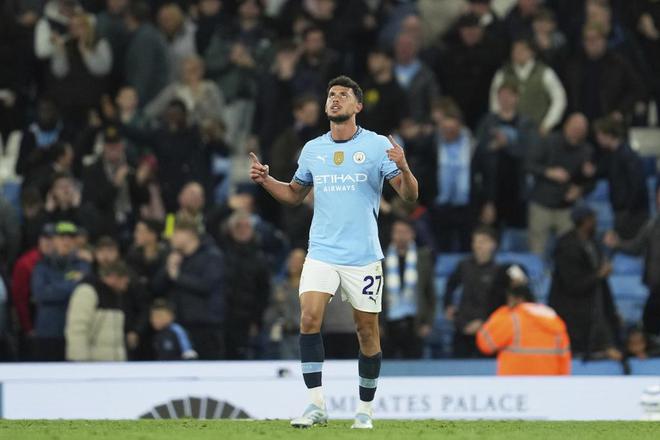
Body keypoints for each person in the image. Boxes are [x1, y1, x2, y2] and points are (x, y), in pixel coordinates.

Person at [249, 75, 418, 429]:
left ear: (358, 105)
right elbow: (294, 194)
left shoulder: (376, 145)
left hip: (363, 256)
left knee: (366, 332)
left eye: (343, 94)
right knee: (309, 319)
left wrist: (403, 166)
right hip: (322, 252)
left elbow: (408, 196)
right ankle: (316, 405)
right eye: (330, 94)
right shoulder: (313, 149)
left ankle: (365, 410)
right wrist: (266, 180)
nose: (335, 99)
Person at [548, 206, 622, 360]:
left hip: (593, 306)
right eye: (592, 219)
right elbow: (572, 283)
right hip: (572, 311)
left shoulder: (593, 243)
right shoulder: (567, 245)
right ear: (584, 221)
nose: (596, 222)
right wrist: (599, 275)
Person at [152, 218, 225, 359]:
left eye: (174, 233)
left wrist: (177, 277)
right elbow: (156, 288)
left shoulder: (211, 256)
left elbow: (206, 285)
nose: (170, 238)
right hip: (178, 325)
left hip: (205, 326)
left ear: (188, 233)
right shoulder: (174, 257)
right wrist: (169, 268)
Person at [526, 113, 594, 256]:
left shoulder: (587, 150)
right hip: (542, 205)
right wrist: (549, 172)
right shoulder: (548, 141)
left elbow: (590, 182)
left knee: (569, 251)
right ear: (566, 125)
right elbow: (529, 164)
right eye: (574, 127)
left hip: (566, 209)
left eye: (581, 130)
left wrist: (580, 190)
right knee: (537, 250)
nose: (577, 132)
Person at [477, 282, 571, 375]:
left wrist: (503, 312)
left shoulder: (512, 319)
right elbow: (564, 361)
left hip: (514, 382)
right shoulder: (555, 322)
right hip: (548, 382)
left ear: (517, 299)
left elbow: (485, 344)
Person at [30, 221, 91, 361]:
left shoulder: (83, 265)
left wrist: (54, 287)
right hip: (48, 332)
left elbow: (83, 291)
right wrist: (71, 284)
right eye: (62, 237)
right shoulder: (42, 266)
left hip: (74, 332)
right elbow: (41, 293)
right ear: (54, 240)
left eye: (71, 238)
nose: (66, 241)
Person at [604, 185, 660, 335]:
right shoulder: (652, 224)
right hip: (655, 287)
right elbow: (636, 247)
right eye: (658, 196)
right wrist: (617, 243)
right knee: (650, 325)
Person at [444, 226, 505, 358]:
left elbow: (500, 303)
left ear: (493, 244)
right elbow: (450, 285)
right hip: (462, 326)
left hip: (487, 330)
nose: (478, 245)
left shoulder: (498, 271)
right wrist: (448, 305)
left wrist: (483, 322)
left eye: (483, 241)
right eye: (475, 241)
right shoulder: (463, 265)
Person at [381, 219, 435, 359]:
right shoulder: (381, 258)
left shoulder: (423, 257)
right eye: (397, 232)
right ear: (392, 234)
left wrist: (428, 323)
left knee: (415, 367)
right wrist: (377, 324)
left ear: (412, 234)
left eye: (404, 232)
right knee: (386, 367)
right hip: (388, 324)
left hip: (414, 324)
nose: (401, 236)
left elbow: (430, 294)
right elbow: (374, 294)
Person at [489, 38, 566, 135]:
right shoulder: (503, 73)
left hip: (536, 131)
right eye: (515, 50)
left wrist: (548, 124)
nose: (518, 53)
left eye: (522, 49)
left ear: (532, 52)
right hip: (508, 132)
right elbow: (494, 99)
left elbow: (559, 99)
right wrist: (498, 122)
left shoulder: (545, 72)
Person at [591, 116, 649, 239]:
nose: (597, 139)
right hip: (622, 210)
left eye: (599, 135)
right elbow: (601, 171)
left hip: (632, 213)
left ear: (608, 134)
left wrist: (628, 210)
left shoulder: (627, 155)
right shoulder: (611, 155)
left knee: (628, 243)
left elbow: (637, 184)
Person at [65, 260, 130, 361]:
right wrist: (80, 361)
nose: (126, 285)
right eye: (124, 281)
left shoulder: (117, 297)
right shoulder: (87, 292)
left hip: (114, 364)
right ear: (113, 277)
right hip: (91, 363)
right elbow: (77, 329)